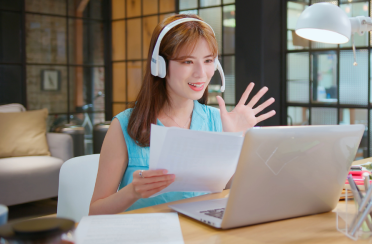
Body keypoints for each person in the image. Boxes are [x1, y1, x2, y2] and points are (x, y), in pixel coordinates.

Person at [89, 14, 275, 215]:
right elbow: (94, 212)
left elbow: (237, 194)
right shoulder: (124, 125)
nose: (201, 73)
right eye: (187, 61)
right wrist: (132, 192)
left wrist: (236, 141)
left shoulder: (219, 121)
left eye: (208, 60)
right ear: (159, 65)